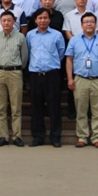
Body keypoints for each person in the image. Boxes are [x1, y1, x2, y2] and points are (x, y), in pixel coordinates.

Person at [65, 12, 98, 148]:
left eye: (91, 22)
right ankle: (82, 137)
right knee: (81, 110)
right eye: (86, 22)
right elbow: (69, 60)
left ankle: (97, 137)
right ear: (81, 25)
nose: (89, 24)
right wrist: (70, 78)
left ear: (95, 24)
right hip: (80, 79)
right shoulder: (74, 40)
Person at [26, 8, 66, 147]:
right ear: (35, 20)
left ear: (49, 20)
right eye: (40, 18)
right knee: (36, 107)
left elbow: (61, 53)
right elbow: (28, 52)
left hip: (52, 74)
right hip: (35, 75)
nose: (42, 20)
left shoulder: (57, 35)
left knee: (54, 106)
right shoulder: (30, 35)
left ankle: (55, 137)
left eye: (45, 18)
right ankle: (38, 136)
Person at [0, 10, 29, 147]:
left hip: (15, 73)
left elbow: (24, 57)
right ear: (0, 22)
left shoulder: (20, 37)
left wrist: (18, 67)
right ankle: (3, 136)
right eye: (4, 20)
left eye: (9, 20)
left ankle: (17, 136)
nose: (6, 23)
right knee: (0, 107)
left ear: (14, 22)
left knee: (16, 107)